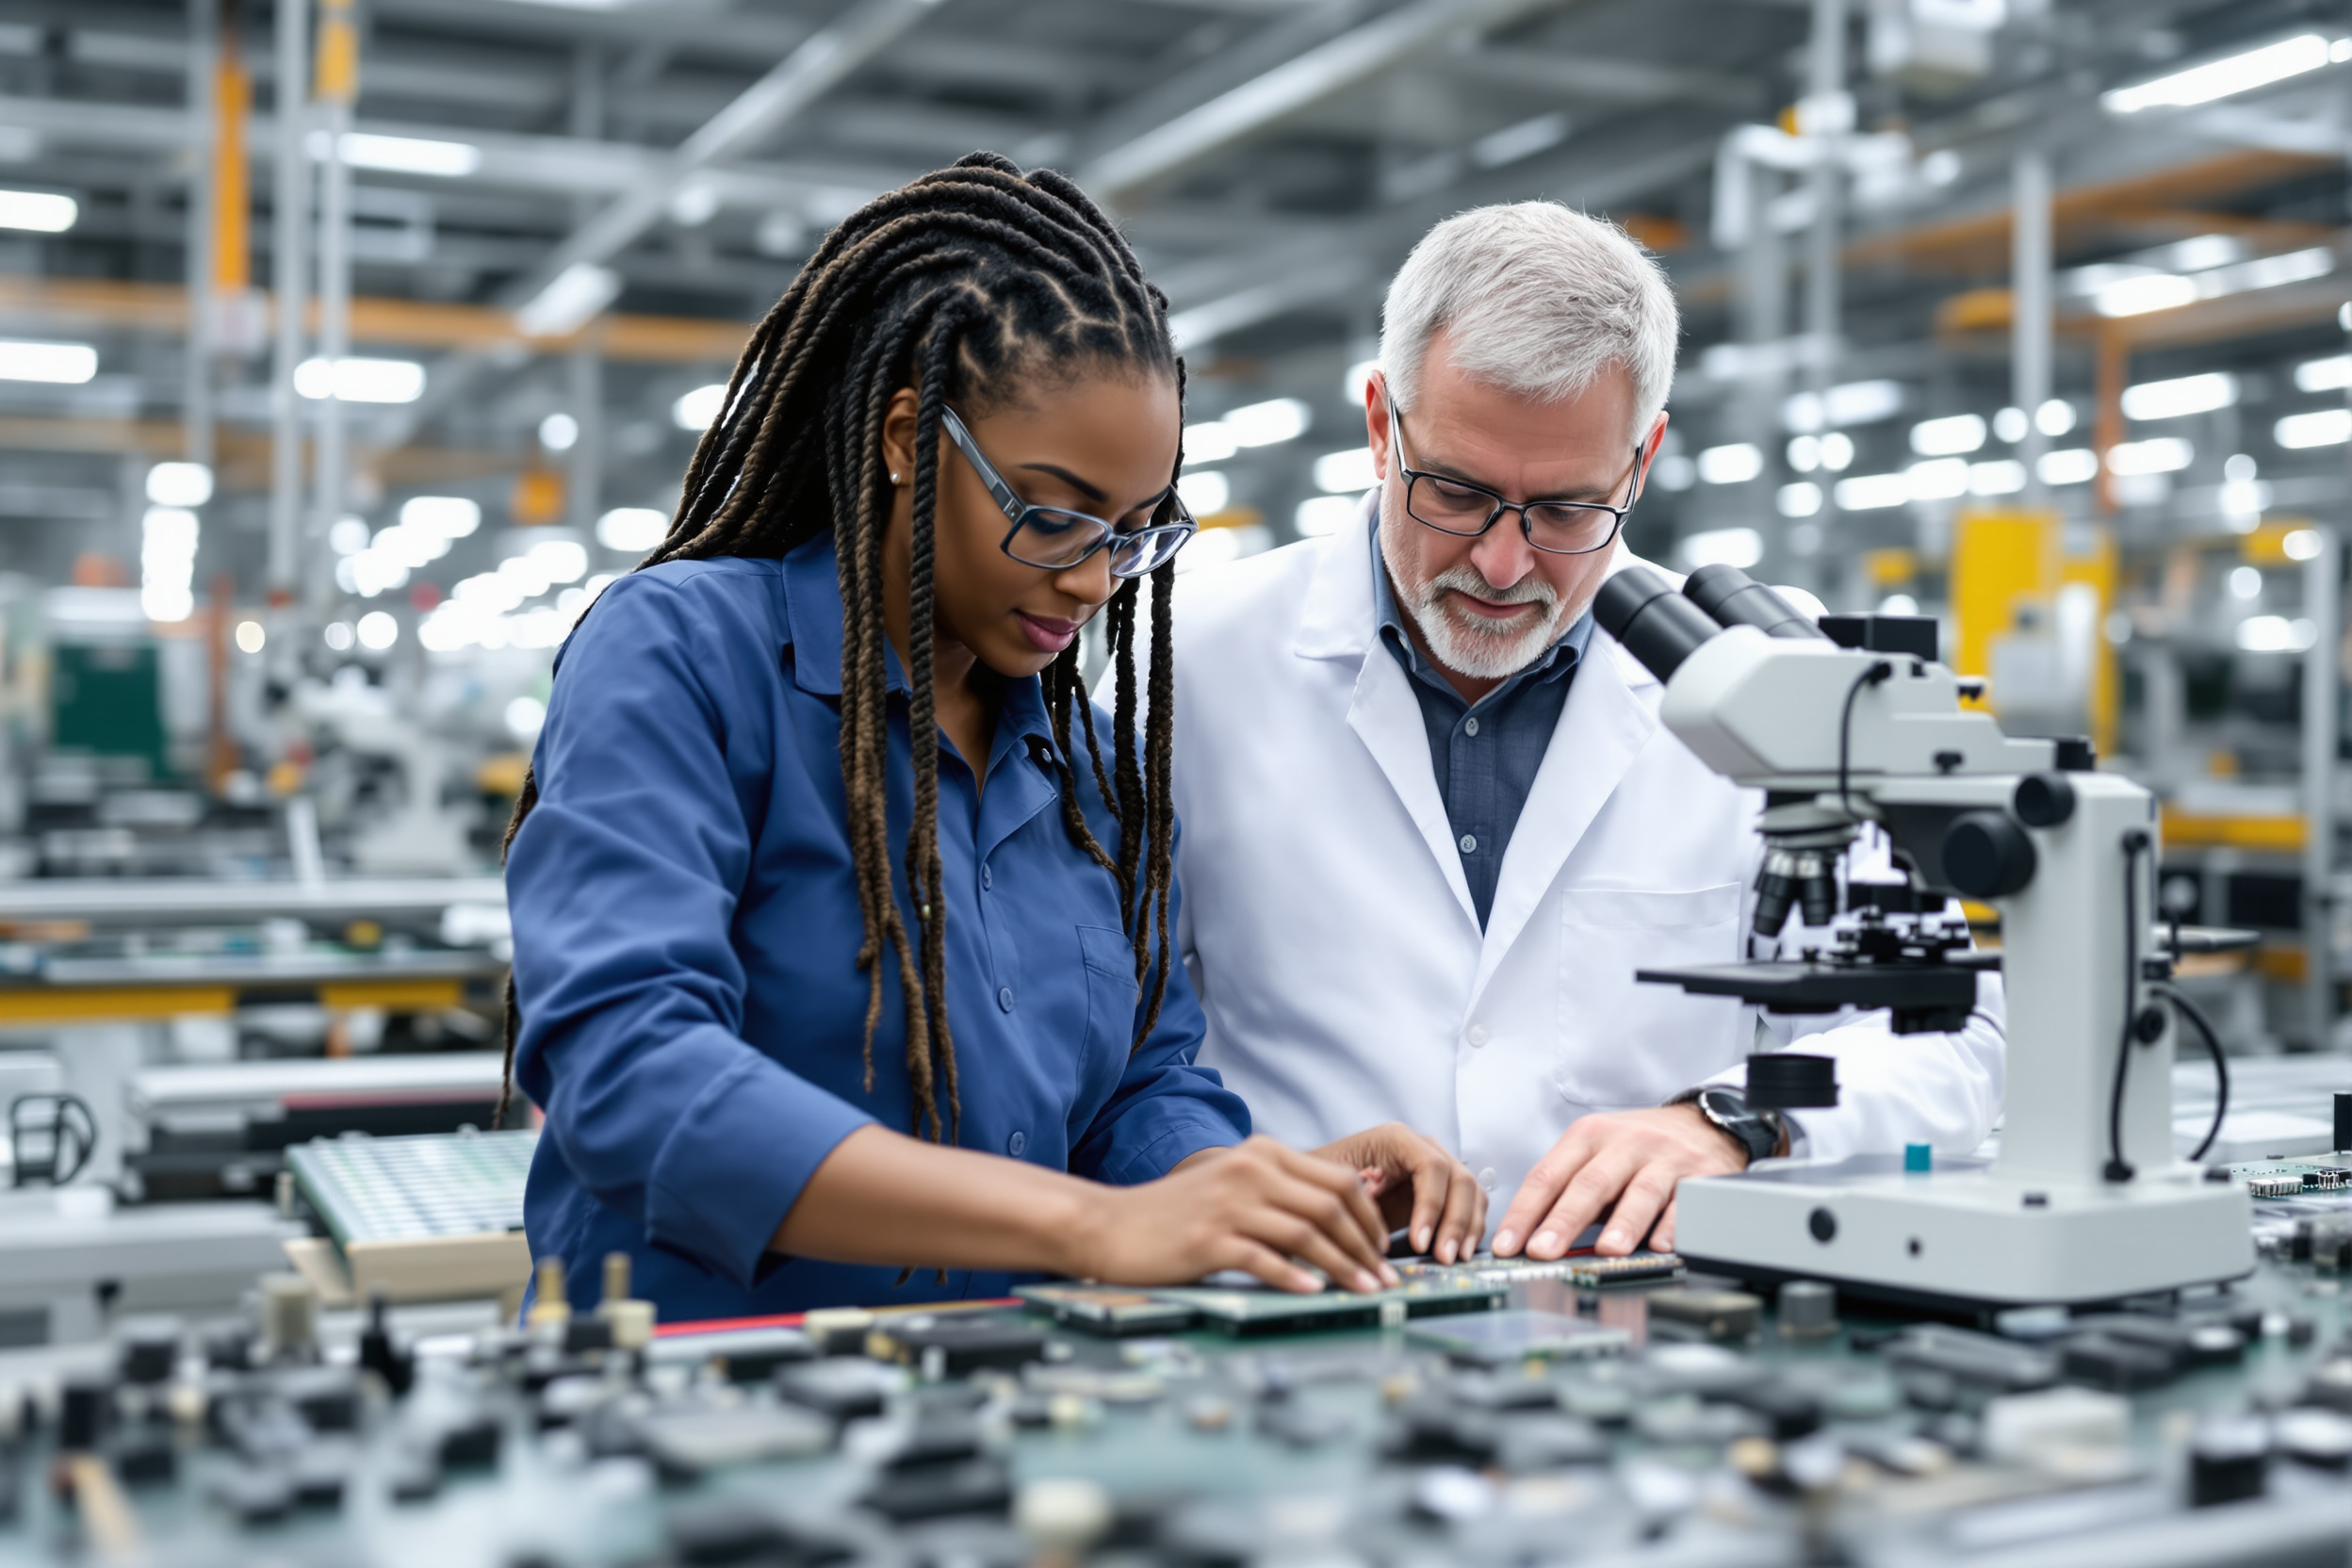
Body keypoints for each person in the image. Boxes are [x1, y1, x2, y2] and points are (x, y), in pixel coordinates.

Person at [500, 155, 1485, 1323]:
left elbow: (1137, 1087)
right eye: (1052, 515)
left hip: (992, 1389)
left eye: (1133, 533)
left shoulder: (1094, 772)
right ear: (907, 436)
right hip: (692, 1379)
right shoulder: (686, 654)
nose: (1093, 579)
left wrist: (1250, 1188)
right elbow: (630, 1072)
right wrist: (1090, 1227)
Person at [1164, 202, 2004, 1266]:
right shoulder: (1194, 660)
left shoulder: (1785, 683)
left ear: (1641, 461)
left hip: (1650, 1314)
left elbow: (1951, 1033)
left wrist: (1734, 1119)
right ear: (1381, 426)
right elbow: (1117, 1047)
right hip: (1301, 1300)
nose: (1503, 564)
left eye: (1566, 510)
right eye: (1456, 492)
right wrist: (1216, 1175)